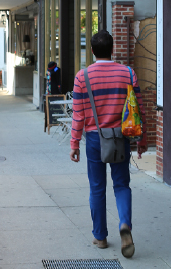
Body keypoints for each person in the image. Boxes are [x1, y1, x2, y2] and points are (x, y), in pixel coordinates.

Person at [70, 30, 147, 258]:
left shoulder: (82, 77)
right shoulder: (128, 73)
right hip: (120, 137)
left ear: (92, 51)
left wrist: (74, 143)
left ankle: (100, 236)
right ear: (112, 49)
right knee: (122, 185)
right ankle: (125, 224)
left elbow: (78, 115)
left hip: (95, 138)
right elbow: (138, 109)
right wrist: (142, 138)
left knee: (97, 187)